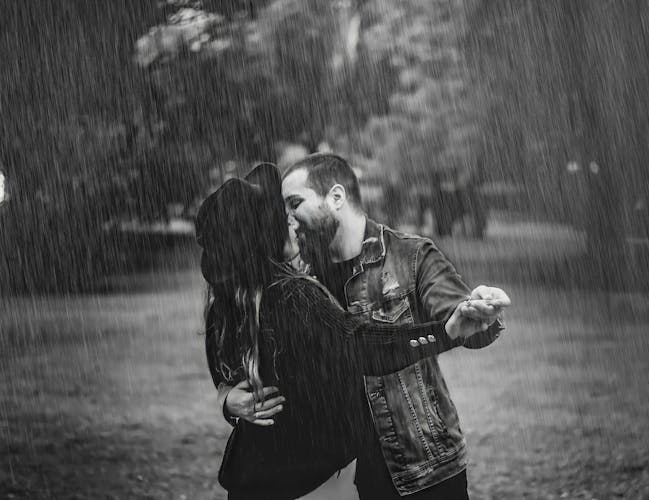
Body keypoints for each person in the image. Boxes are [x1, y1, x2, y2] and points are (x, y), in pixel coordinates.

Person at [197, 163, 508, 499]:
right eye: (282, 209)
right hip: (331, 477)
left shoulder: (410, 255)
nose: (288, 217)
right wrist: (228, 400)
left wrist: (476, 313)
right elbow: (356, 346)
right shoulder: (293, 281)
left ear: (335, 197)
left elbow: (464, 321)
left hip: (415, 462)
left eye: (294, 203)